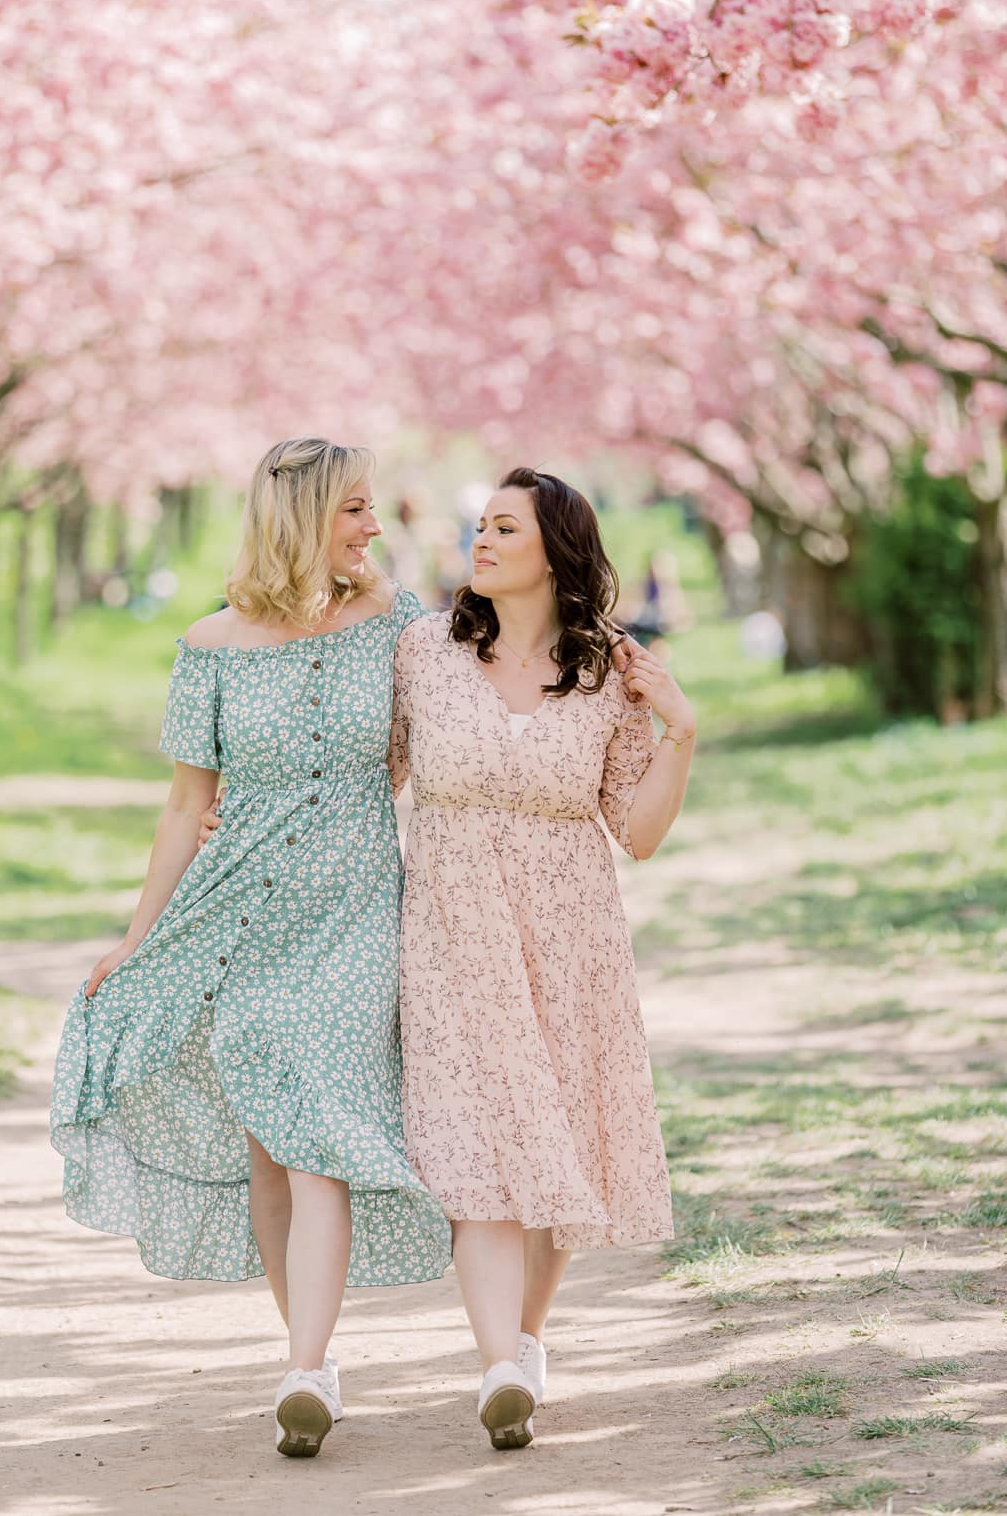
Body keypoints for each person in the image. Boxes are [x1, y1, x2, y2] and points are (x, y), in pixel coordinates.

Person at [50, 437, 450, 1462]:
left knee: (314, 1127)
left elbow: (427, 748)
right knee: (272, 1146)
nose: (372, 526)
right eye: (353, 510)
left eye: (371, 509)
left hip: (358, 907)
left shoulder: (397, 623)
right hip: (240, 914)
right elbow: (187, 805)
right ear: (302, 517)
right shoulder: (210, 643)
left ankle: (308, 1370)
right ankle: (304, 1355)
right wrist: (140, 938)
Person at [387, 467, 695, 1449]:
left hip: (571, 940)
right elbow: (371, 774)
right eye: (479, 524)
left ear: (555, 552)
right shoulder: (423, 653)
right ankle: (496, 1368)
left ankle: (522, 1344)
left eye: (504, 527)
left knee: (559, 1148)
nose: (480, 540)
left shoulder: (607, 671)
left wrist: (681, 729)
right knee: (475, 1150)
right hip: (451, 936)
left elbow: (637, 830)